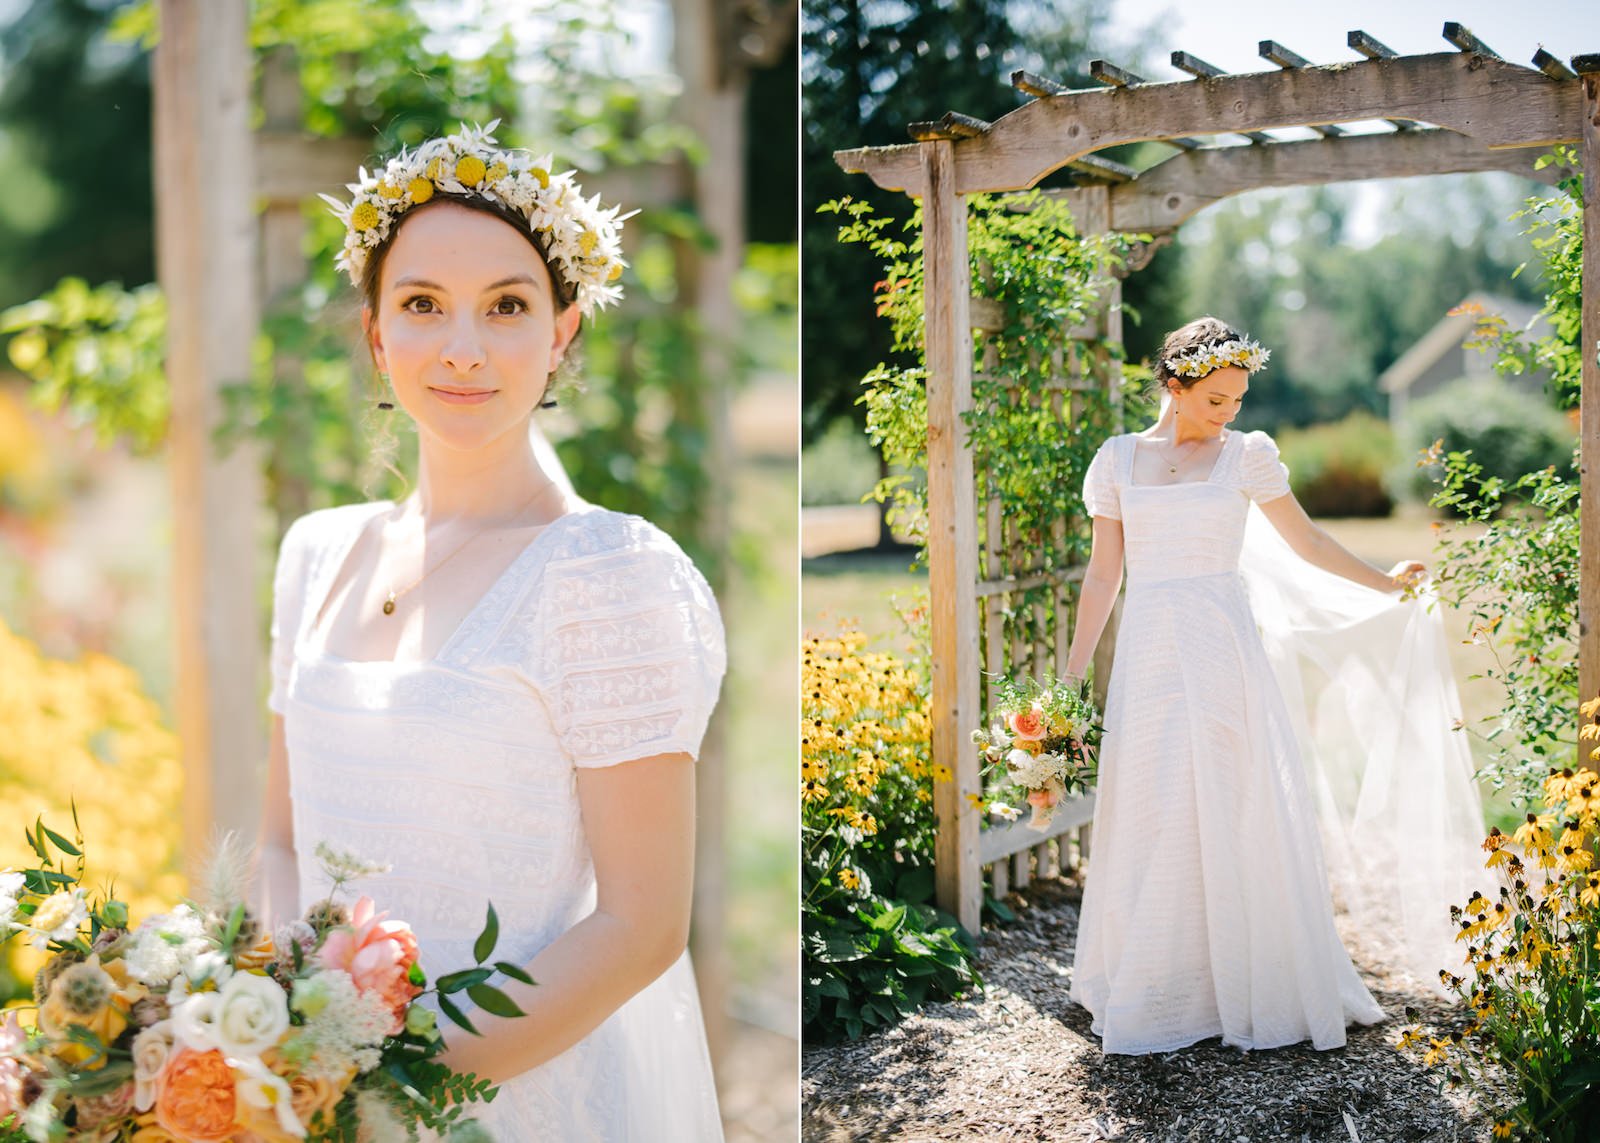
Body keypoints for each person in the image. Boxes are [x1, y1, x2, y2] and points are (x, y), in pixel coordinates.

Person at [252, 122, 727, 1138]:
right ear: (377, 333)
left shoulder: (605, 577)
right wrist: (278, 1039)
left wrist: (391, 1077)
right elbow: (284, 840)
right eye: (422, 305)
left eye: (506, 307)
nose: (462, 346)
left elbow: (641, 927)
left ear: (560, 333)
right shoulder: (316, 554)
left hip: (512, 1102)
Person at [1059, 315, 1470, 1055]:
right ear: (1174, 384)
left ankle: (1238, 982)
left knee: (1227, 801)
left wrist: (1384, 583)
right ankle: (1158, 981)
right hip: (1149, 654)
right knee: (1154, 806)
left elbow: (1306, 540)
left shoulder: (1246, 458)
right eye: (1217, 399)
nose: (1229, 412)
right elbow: (1103, 574)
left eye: (1238, 399)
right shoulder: (1116, 460)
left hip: (1223, 649)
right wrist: (1069, 677)